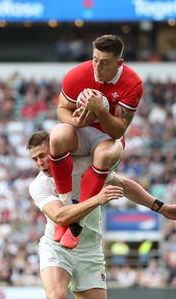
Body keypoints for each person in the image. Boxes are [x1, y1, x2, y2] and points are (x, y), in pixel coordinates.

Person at [9, 131, 176, 299]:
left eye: (43, 155)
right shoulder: (39, 185)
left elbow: (125, 186)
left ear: (55, 151)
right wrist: (96, 199)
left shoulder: (85, 166)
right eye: (35, 159)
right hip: (57, 248)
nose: (41, 162)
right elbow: (60, 216)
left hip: (90, 252)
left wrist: (160, 208)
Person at [49, 34, 143, 249]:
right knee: (57, 135)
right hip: (81, 131)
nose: (97, 66)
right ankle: (66, 206)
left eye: (105, 62)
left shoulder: (132, 83)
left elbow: (119, 129)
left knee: (104, 155)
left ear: (119, 63)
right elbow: (62, 109)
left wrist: (101, 111)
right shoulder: (77, 74)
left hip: (108, 137)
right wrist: (74, 120)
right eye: (95, 59)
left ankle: (77, 222)